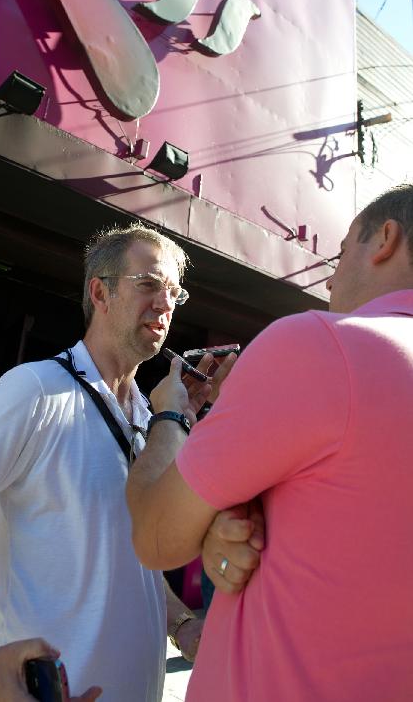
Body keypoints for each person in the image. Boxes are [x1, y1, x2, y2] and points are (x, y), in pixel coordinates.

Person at [0, 222, 239, 701]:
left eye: (175, 292)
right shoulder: (34, 390)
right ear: (100, 292)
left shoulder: (148, 417)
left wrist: (182, 624)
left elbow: (129, 557)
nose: (165, 303)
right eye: (149, 284)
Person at [127, 185, 413, 702]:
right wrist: (230, 511)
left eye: (342, 251)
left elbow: (155, 534)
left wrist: (172, 413)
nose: (331, 276)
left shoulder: (324, 346)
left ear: (386, 239)